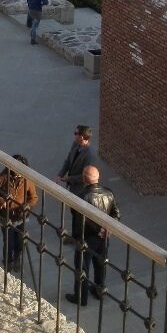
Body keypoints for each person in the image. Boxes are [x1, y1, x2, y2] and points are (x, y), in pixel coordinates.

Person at [66, 166, 120, 307]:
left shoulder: (81, 196)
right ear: (98, 177)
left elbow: (79, 217)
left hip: (86, 237)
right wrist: (107, 228)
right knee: (100, 264)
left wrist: (98, 229)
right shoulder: (109, 193)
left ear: (84, 178)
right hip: (103, 237)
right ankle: (99, 291)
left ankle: (81, 297)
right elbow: (116, 214)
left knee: (82, 268)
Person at [0, 154, 37, 272]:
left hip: (21, 216)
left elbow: (33, 198)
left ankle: (17, 259)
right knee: (8, 241)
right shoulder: (3, 177)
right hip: (5, 216)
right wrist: (0, 201)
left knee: (20, 241)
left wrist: (26, 206)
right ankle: (8, 261)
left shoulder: (28, 180)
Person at [56, 126, 95, 193]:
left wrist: (69, 179)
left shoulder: (89, 155)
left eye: (75, 133)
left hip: (80, 189)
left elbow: (85, 176)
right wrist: (60, 175)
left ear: (82, 137)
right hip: (71, 185)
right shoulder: (75, 144)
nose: (74, 135)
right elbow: (68, 161)